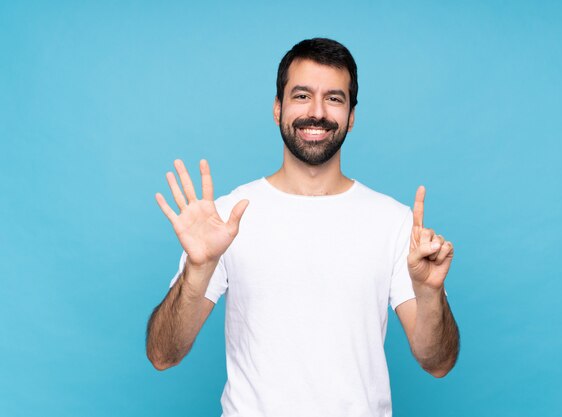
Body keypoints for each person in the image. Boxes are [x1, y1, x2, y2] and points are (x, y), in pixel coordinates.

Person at [146, 38, 459, 417]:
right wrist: (198, 270)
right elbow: (163, 355)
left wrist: (429, 293)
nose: (317, 112)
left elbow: (437, 362)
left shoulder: (393, 223)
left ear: (352, 115)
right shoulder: (227, 219)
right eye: (301, 96)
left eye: (334, 98)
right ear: (278, 108)